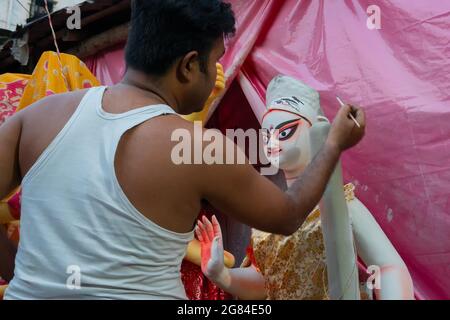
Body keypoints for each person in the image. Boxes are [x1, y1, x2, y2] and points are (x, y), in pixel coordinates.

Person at [0, 0, 365, 299]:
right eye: (215, 61)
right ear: (190, 66)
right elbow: (287, 215)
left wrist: (20, 272)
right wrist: (334, 142)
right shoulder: (197, 147)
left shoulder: (35, 119)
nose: (218, 72)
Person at [196, 76, 413, 300]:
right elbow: (266, 283)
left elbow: (389, 268)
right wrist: (221, 273)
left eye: (284, 133)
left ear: (317, 129)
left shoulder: (342, 204)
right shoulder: (269, 216)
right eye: (266, 135)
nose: (271, 144)